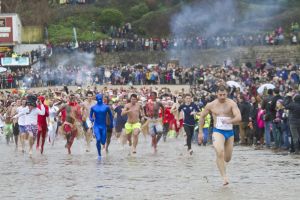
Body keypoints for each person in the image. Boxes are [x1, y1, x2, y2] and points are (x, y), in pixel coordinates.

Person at [198, 85, 241, 186]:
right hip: (217, 131)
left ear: (227, 94)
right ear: (216, 94)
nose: (222, 97)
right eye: (220, 94)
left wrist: (230, 120)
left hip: (229, 132)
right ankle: (224, 178)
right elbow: (202, 117)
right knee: (219, 151)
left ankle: (221, 162)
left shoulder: (231, 103)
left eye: (224, 94)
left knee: (227, 158)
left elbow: (239, 117)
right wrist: (200, 132)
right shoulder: (211, 105)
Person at [90, 94, 113, 160]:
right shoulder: (93, 107)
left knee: (103, 142)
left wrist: (111, 123)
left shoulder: (106, 107)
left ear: (102, 99)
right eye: (98, 98)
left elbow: (111, 116)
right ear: (96, 99)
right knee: (98, 139)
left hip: (103, 126)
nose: (99, 99)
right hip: (96, 126)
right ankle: (99, 155)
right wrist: (91, 119)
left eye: (100, 98)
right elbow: (90, 116)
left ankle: (102, 147)